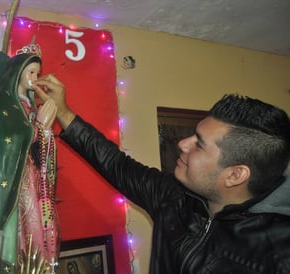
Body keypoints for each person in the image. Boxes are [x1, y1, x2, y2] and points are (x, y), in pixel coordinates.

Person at [32, 74, 290, 274]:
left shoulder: (278, 254)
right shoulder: (174, 197)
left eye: (198, 144)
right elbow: (116, 164)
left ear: (236, 175)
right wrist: (62, 111)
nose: (182, 144)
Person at [0, 49, 59, 273]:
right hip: (14, 176)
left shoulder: (29, 106)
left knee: (35, 223)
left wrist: (45, 133)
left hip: (30, 175)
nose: (35, 78)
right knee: (20, 227)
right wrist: (39, 126)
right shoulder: (9, 104)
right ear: (18, 72)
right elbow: (12, 137)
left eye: (37, 73)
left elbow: (36, 145)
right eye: (31, 72)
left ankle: (37, 264)